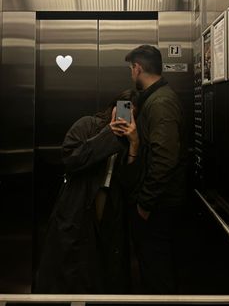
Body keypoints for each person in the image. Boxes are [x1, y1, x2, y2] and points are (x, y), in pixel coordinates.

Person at [34, 90, 139, 294]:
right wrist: (108, 133)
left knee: (102, 271)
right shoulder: (87, 125)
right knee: (70, 271)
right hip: (76, 207)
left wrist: (134, 143)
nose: (126, 118)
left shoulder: (130, 139)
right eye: (124, 111)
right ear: (113, 108)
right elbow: (71, 159)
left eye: (132, 114)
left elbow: (130, 182)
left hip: (109, 211)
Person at [120, 44, 188, 294]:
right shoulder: (153, 99)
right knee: (152, 271)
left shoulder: (161, 103)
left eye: (131, 69)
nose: (131, 74)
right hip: (156, 202)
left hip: (158, 206)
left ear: (138, 68)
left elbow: (164, 158)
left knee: (158, 276)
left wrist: (145, 204)